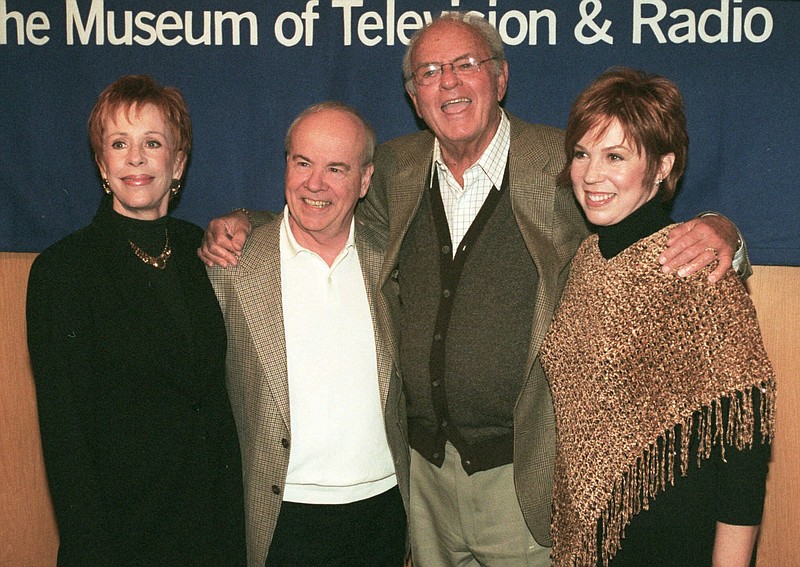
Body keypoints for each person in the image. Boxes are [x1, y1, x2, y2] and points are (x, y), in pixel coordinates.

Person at [199, 14, 746, 566]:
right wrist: (245, 221)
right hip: (422, 481)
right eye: (431, 72)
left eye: (467, 65)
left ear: (501, 78)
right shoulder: (395, 167)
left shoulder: (563, 163)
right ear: (414, 97)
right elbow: (323, 201)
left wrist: (726, 231)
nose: (450, 83)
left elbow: (636, 219)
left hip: (520, 481)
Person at [540, 67, 775, 567]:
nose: (591, 174)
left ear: (663, 166)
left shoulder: (695, 264)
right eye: (582, 154)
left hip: (669, 541)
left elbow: (744, 445)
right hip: (584, 540)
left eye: (616, 156)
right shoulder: (586, 258)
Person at [26, 75, 246, 566]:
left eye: (152, 142)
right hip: (121, 537)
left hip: (212, 528)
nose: (136, 157)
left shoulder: (200, 252)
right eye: (119, 143)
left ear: (179, 163)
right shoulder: (63, 271)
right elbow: (65, 440)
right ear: (102, 165)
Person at [206, 102, 408, 567]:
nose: (314, 184)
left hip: (383, 511)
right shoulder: (230, 268)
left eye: (336, 168)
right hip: (278, 518)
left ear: (365, 180)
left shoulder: (394, 259)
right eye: (303, 163)